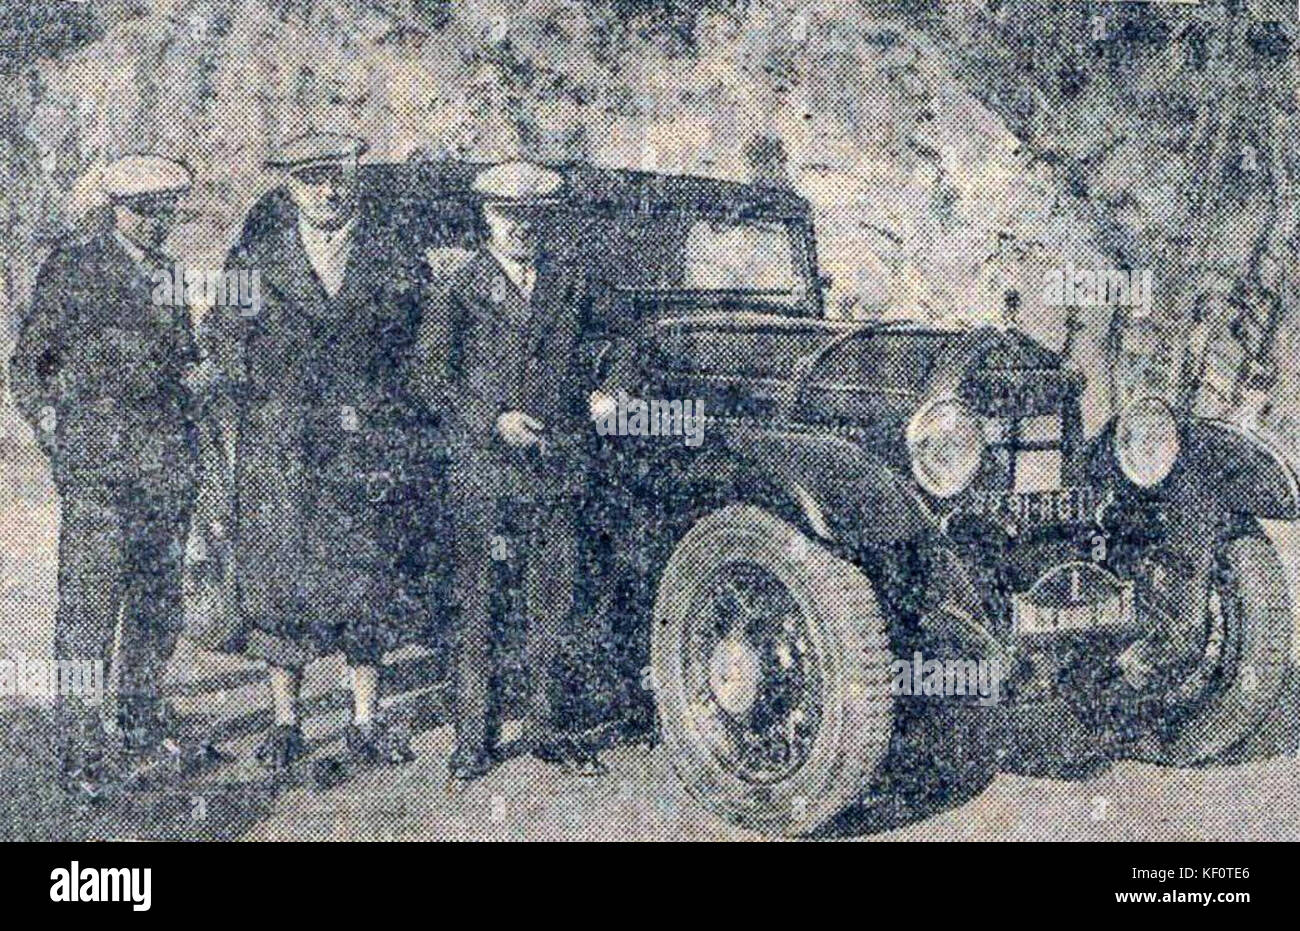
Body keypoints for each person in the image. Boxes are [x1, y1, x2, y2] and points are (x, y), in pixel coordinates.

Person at [201, 132, 431, 783]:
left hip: (367, 448)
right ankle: (286, 720)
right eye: (312, 180)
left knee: (365, 582)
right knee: (282, 582)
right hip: (282, 451)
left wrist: (395, 418)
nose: (328, 191)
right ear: (291, 188)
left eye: (337, 177)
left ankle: (364, 720)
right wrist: (255, 390)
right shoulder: (259, 261)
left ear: (353, 179)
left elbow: (426, 351)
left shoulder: (395, 259)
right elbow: (220, 340)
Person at [9, 154, 202, 801]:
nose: (154, 221)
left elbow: (181, 363)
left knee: (156, 606)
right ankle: (82, 750)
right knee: (89, 614)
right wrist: (57, 441)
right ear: (115, 208)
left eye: (165, 209)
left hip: (167, 473)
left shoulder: (173, 275)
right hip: (100, 476)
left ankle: (142, 722)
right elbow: (30, 365)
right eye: (141, 209)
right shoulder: (76, 268)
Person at [413, 161, 606, 781]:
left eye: (533, 218)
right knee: (478, 604)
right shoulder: (458, 286)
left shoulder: (574, 281)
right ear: (486, 218)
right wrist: (492, 419)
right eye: (508, 216)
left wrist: (613, 392)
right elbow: (429, 379)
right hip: (485, 472)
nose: (520, 228)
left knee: (553, 602)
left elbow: (625, 340)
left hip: (556, 466)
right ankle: (475, 735)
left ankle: (547, 728)